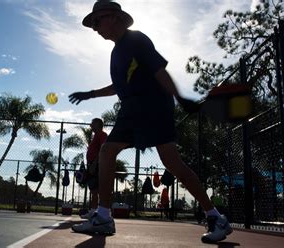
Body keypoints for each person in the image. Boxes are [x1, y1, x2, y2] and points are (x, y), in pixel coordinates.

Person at [68, 0, 232, 243]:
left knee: (172, 164)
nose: (94, 27)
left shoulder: (137, 40)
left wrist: (180, 97)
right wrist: (90, 94)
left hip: (153, 107)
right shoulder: (116, 52)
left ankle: (214, 216)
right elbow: (118, 87)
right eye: (92, 23)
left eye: (96, 21)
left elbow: (159, 71)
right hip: (132, 109)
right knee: (107, 151)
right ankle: (103, 215)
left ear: (113, 17)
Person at [80, 118, 108, 219]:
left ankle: (99, 212)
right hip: (93, 165)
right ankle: (93, 211)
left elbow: (102, 150)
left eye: (93, 123)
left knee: (97, 190)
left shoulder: (102, 135)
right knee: (94, 190)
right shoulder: (96, 136)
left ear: (98, 124)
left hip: (97, 165)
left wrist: (94, 164)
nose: (91, 125)